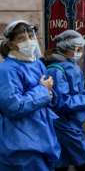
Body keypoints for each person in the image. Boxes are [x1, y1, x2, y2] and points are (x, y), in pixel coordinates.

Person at [0, 20, 60, 171]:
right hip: (21, 142)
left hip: (43, 135)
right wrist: (43, 90)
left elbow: (49, 95)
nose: (29, 41)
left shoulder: (36, 63)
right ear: (12, 44)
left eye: (31, 36)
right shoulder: (7, 70)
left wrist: (50, 92)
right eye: (21, 38)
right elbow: (13, 106)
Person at [43, 29, 85, 171]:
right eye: (78, 49)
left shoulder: (69, 65)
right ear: (67, 49)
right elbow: (63, 102)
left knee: (62, 161)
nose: (80, 52)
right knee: (82, 161)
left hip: (69, 122)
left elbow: (75, 91)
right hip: (65, 124)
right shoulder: (56, 70)